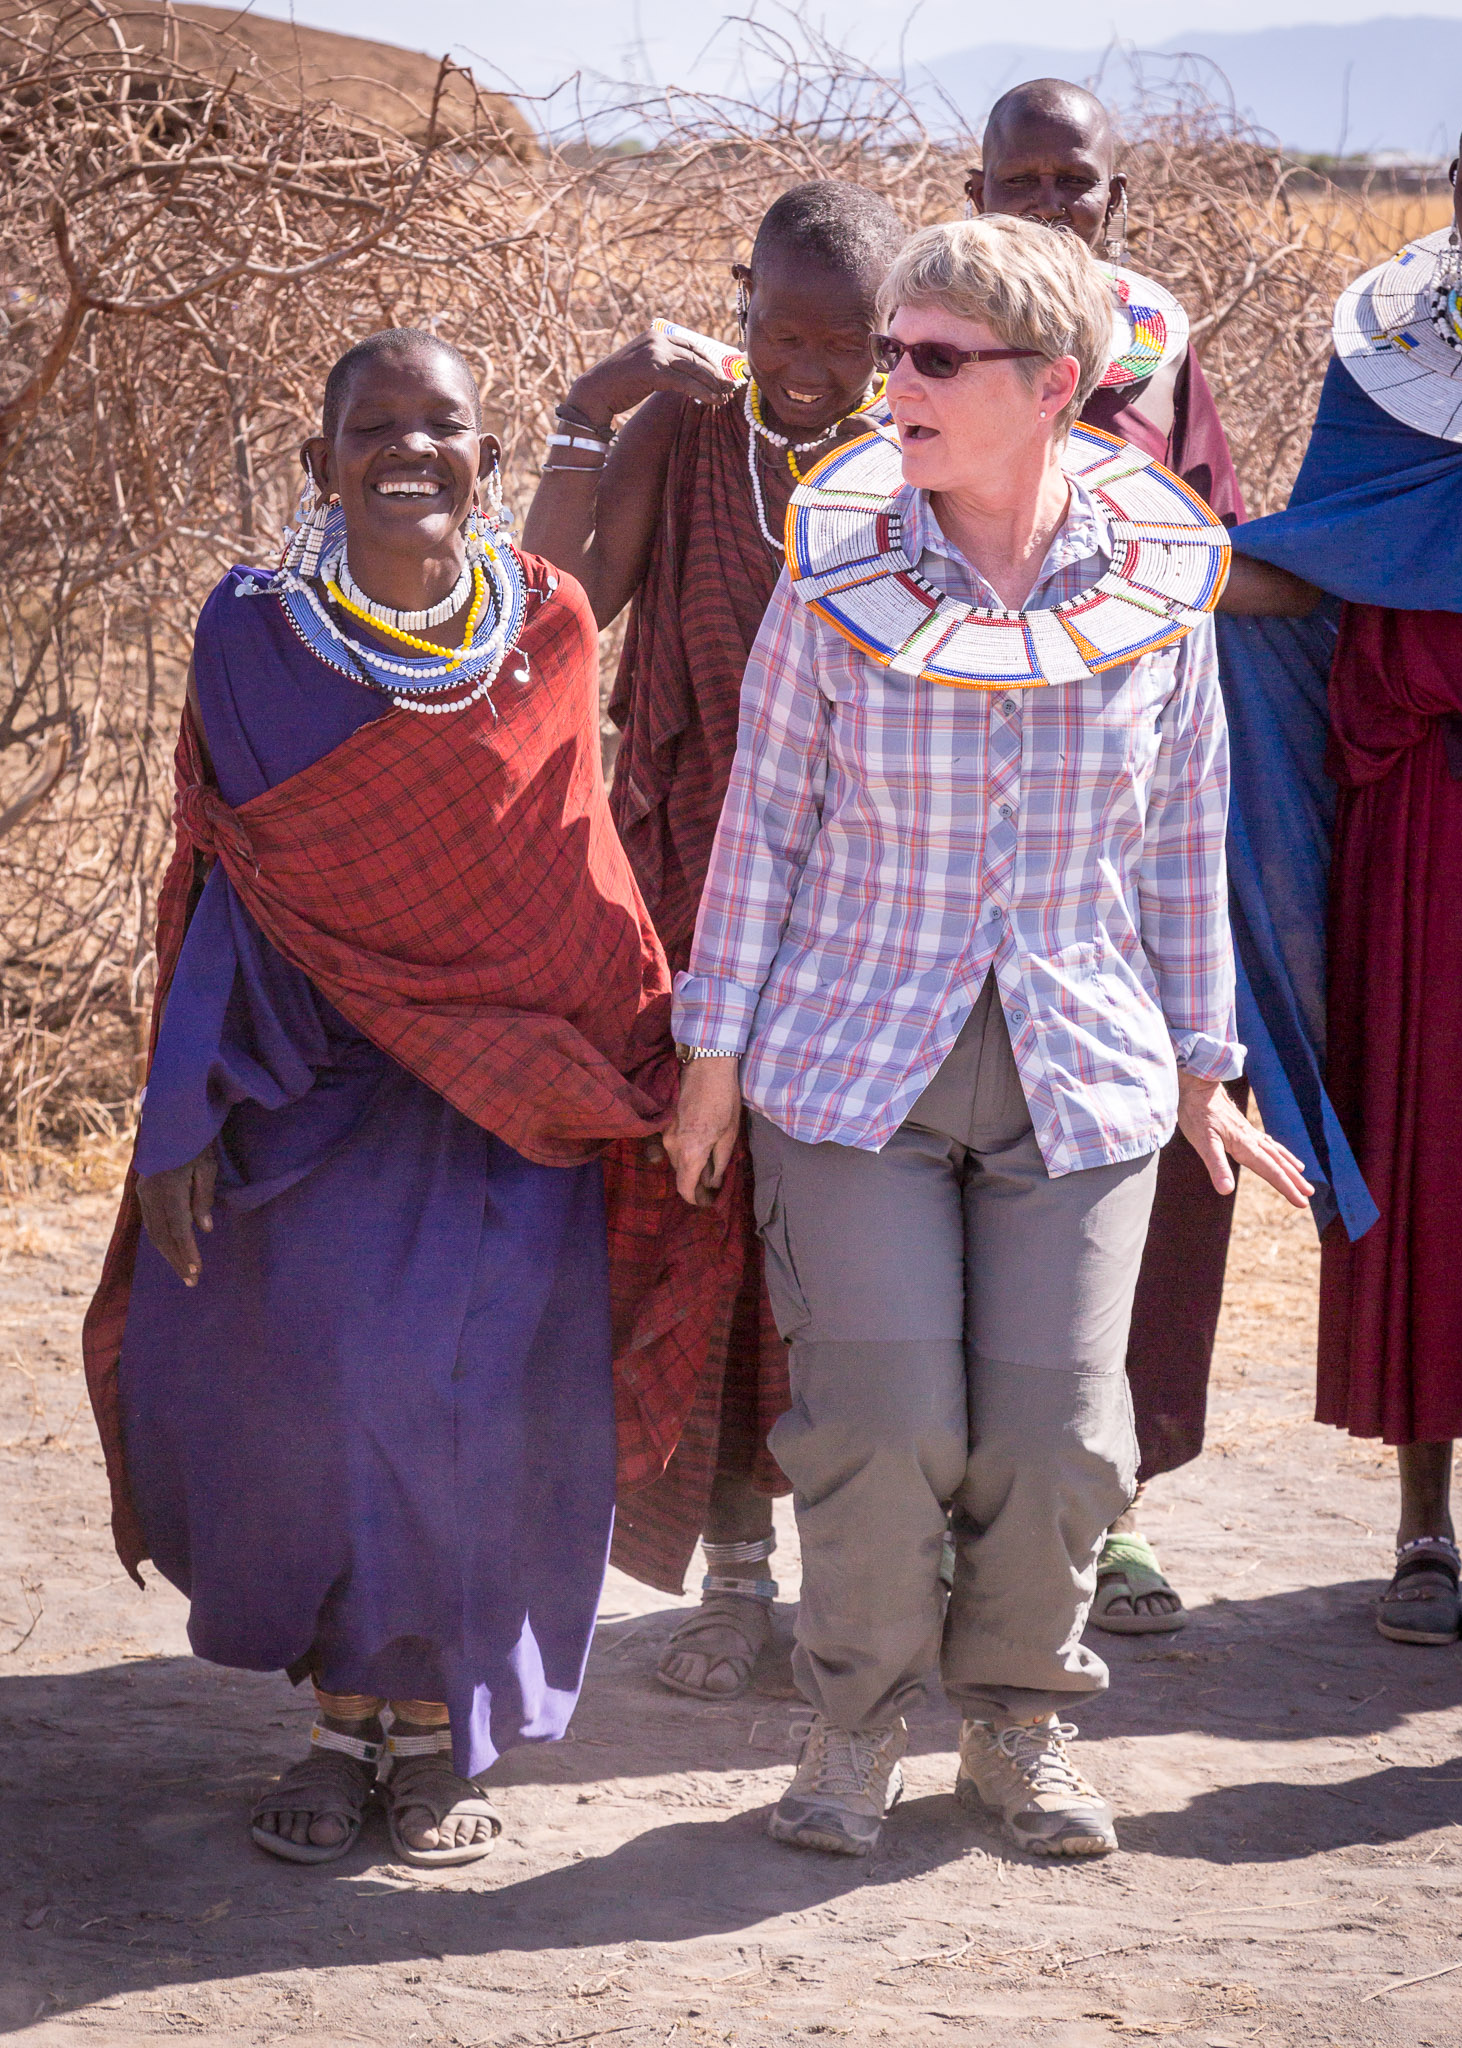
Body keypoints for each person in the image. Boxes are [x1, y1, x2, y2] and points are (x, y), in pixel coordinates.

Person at [667, 214, 1312, 1859]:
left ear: (1051, 386)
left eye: (935, 359)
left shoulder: (1156, 590)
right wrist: (710, 1059)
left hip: (1078, 1067)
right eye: (894, 352)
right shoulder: (840, 572)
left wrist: (1201, 1066)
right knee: (881, 1421)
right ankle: (853, 1730)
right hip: (847, 1063)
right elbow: (764, 825)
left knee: (1059, 1433)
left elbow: (1185, 835)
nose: (896, 384)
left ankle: (1018, 1727)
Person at [82, 330, 688, 1866]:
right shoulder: (249, 628)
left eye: (444, 428)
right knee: (330, 1405)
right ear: (318, 461)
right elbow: (238, 879)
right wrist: (181, 1108)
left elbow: (567, 872)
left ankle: (437, 1738)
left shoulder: (544, 622)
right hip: (311, 1084)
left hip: (511, 1095)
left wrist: (639, 1062)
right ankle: (340, 1718)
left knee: (482, 1416)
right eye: (374, 427)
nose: (409, 452)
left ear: (491, 460)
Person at [1219, 67, 1462, 1645]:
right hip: (1401, 846)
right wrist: (1150, 570)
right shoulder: (1373, 372)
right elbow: (1316, 575)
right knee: (1420, 1175)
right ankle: (1418, 1525)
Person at [524, 181, 905, 1702]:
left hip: (866, 911)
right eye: (775, 331)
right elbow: (554, 609)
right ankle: (734, 1579)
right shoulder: (684, 439)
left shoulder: (917, 471)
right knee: (710, 1231)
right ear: (736, 307)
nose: (802, 366)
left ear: (890, 346)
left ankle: (855, 1586)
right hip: (683, 895)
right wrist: (584, 405)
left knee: (852, 1252)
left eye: (841, 342)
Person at [967, 76, 1248, 1634]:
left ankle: (1109, 1511)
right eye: (1021, 177)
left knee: (1122, 1181)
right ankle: (955, 1534)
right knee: (940, 1188)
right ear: (973, 183)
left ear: (1111, 203)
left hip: (1108, 853)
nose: (1047, 204)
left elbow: (1202, 561)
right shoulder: (919, 339)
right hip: (944, 855)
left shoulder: (1155, 357)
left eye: (1073, 183)